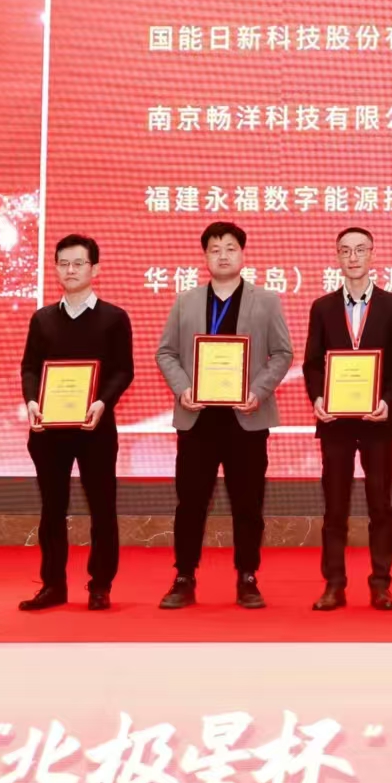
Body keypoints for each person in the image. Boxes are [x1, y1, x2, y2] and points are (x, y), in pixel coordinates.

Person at [153, 221, 295, 610]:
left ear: (242, 254)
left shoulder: (266, 301)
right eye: (214, 249)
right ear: (205, 257)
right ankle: (184, 576)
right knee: (190, 503)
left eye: (230, 248)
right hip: (197, 419)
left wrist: (258, 392)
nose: (223, 255)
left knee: (248, 503)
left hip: (245, 419)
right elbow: (166, 352)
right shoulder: (186, 301)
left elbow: (283, 353)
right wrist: (183, 388)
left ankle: (247, 577)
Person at [15, 234, 134, 611]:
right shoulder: (43, 319)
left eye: (79, 263)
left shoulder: (114, 318)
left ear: (94, 269)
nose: (71, 270)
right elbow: (30, 367)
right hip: (49, 430)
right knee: (52, 509)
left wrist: (102, 402)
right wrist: (32, 401)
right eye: (63, 263)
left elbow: (123, 370)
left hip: (95, 428)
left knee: (102, 508)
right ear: (55, 269)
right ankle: (53, 585)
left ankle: (100, 585)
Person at [301, 226, 392, 612]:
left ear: (372, 255)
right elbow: (312, 363)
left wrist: (388, 401)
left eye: (360, 249)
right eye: (345, 250)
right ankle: (334, 584)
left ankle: (381, 584)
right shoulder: (322, 307)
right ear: (337, 257)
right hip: (335, 422)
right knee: (335, 507)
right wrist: (318, 398)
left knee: (380, 505)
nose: (353, 257)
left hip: (378, 420)